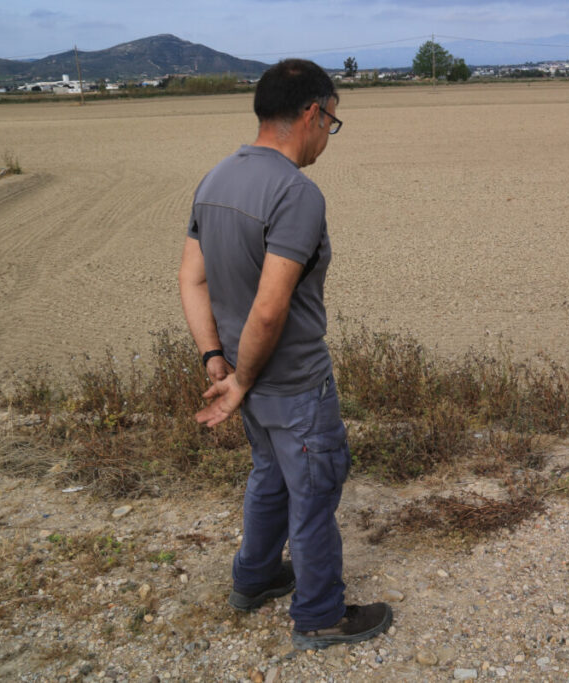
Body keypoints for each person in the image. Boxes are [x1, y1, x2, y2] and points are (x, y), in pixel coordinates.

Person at [178, 58, 392, 651]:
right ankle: (320, 615)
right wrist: (242, 378)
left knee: (270, 478)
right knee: (315, 488)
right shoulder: (296, 192)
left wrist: (214, 360)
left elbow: (191, 280)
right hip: (292, 382)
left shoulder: (216, 178)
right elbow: (270, 309)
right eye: (332, 120)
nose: (329, 134)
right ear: (310, 113)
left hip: (242, 378)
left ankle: (254, 578)